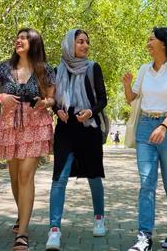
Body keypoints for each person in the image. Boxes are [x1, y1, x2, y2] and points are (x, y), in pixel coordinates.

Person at [122, 27, 167, 251]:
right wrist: (127, 84)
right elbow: (132, 99)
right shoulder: (144, 69)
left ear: (164, 43)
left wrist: (164, 126)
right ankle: (144, 236)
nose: (148, 43)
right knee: (146, 183)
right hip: (145, 128)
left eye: (151, 39)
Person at [45, 29, 107, 250]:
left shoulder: (93, 68)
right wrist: (57, 111)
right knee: (59, 178)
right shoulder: (57, 70)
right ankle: (54, 229)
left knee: (93, 175)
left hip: (88, 128)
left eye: (87, 42)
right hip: (65, 128)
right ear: (69, 44)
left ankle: (99, 218)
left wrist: (90, 112)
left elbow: (102, 99)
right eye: (80, 41)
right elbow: (53, 100)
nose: (85, 45)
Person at [0, 28, 55, 251]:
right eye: (17, 37)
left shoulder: (45, 69)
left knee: (25, 175)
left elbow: (51, 98)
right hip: (9, 123)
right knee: (14, 177)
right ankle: (22, 216)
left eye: (24, 38)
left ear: (34, 43)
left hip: (35, 123)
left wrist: (45, 103)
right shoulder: (3, 68)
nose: (18, 40)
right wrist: (2, 97)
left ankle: (22, 233)